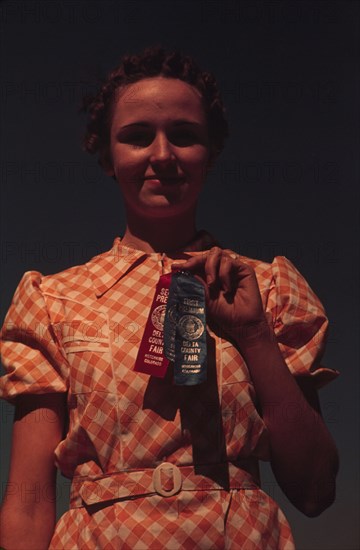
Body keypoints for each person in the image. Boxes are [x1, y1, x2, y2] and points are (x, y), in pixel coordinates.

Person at [0, 46, 339, 550]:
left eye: (184, 136)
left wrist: (253, 334)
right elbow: (28, 500)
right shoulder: (53, 299)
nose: (162, 155)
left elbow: (315, 489)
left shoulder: (268, 289)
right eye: (137, 137)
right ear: (107, 156)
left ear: (211, 152)